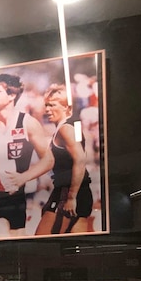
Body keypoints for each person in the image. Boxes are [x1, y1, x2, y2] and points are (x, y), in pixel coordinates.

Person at [0, 73, 53, 238]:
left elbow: (49, 159)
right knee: (2, 236)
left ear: (12, 95)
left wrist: (24, 177)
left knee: (17, 250)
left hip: (16, 200)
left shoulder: (28, 123)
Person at [32, 84, 93, 235]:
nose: (47, 109)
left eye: (52, 105)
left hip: (68, 193)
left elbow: (80, 159)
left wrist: (71, 197)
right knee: (74, 247)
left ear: (67, 108)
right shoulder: (73, 127)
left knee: (41, 244)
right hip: (82, 193)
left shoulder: (65, 129)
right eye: (46, 105)